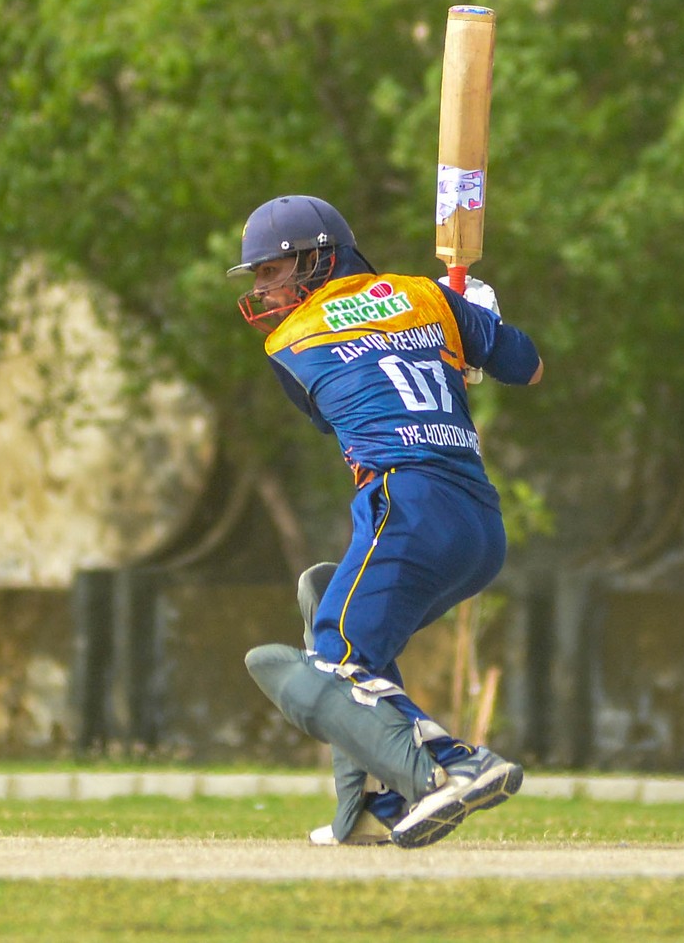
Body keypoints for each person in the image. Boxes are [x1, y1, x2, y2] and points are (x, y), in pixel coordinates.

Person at [229, 194, 543, 848]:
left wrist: (446, 341)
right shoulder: (427, 296)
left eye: (271, 271)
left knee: (333, 656)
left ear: (317, 258)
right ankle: (375, 807)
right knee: (325, 596)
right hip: (479, 526)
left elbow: (335, 408)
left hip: (407, 502)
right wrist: (473, 326)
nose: (262, 289)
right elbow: (526, 365)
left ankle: (455, 765)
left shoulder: (289, 341)